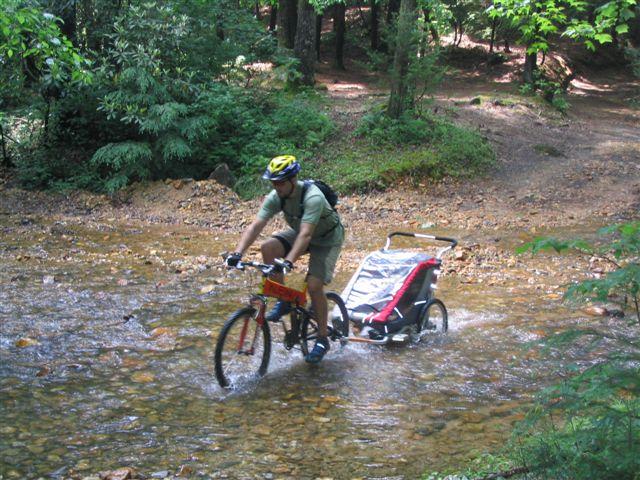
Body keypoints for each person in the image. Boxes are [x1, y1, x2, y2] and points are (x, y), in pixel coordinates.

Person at [225, 155, 344, 364]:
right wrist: (237, 254)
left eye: (280, 182)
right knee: (268, 248)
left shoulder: (312, 197)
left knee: (315, 286)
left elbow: (306, 236)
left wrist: (288, 261)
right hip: (301, 232)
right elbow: (255, 226)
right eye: (273, 182)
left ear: (293, 179)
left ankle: (323, 338)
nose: (276, 186)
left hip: (326, 239)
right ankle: (285, 301)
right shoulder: (276, 196)